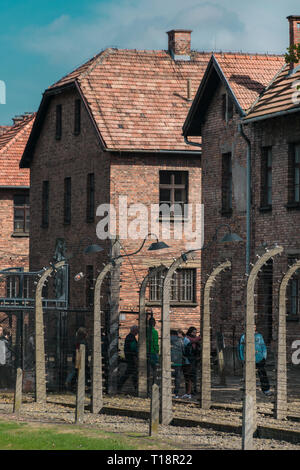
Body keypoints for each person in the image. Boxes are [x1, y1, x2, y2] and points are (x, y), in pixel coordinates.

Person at [238, 325, 272, 396]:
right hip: (248, 359)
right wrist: (242, 358)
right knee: (248, 375)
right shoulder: (243, 337)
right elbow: (240, 348)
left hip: (259, 358)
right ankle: (249, 391)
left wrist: (264, 356)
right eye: (251, 327)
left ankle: (266, 390)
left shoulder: (259, 336)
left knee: (262, 374)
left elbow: (263, 346)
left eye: (254, 327)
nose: (253, 328)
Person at [118, 325, 138, 393]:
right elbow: (133, 349)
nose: (137, 332)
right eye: (136, 330)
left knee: (131, 373)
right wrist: (135, 358)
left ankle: (136, 387)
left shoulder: (129, 337)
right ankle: (119, 386)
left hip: (129, 357)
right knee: (129, 373)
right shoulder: (131, 338)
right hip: (131, 358)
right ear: (133, 330)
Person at [185, 327, 201, 395]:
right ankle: (190, 390)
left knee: (194, 374)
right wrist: (199, 337)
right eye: (193, 332)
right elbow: (193, 340)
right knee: (190, 374)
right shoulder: (187, 338)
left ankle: (194, 389)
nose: (194, 334)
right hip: (189, 358)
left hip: (195, 357)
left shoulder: (195, 338)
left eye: (195, 332)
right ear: (190, 332)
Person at [170, 329, 185, 398]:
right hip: (178, 362)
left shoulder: (167, 339)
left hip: (169, 362)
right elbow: (183, 350)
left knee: (167, 377)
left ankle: (168, 392)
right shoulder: (181, 340)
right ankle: (176, 393)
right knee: (177, 378)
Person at [147, 317, 159, 387]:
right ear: (154, 324)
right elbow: (155, 343)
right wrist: (157, 351)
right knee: (155, 369)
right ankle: (154, 383)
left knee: (147, 369)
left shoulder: (145, 331)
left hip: (145, 352)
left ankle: (147, 383)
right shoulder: (154, 332)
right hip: (153, 353)